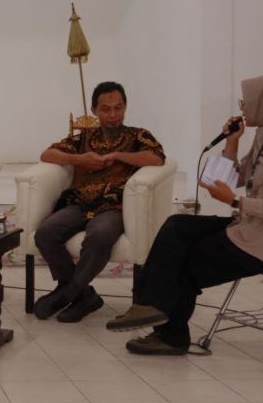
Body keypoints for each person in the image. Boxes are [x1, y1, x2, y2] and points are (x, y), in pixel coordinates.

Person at [107, 74, 263, 354]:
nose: (243, 106)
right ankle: (148, 305)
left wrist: (235, 201)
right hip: (256, 226)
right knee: (177, 226)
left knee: (187, 259)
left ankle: (171, 336)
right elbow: (230, 179)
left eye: (248, 101)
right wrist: (232, 142)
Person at [32, 81, 166, 322]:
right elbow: (47, 154)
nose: (113, 115)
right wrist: (80, 160)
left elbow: (156, 159)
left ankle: (69, 292)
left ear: (125, 107)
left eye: (118, 108)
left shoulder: (137, 135)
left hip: (113, 205)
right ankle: (85, 295)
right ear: (94, 111)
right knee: (45, 232)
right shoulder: (84, 137)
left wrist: (118, 156)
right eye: (106, 109)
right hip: (79, 202)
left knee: (100, 235)